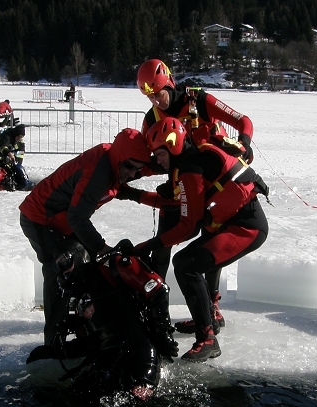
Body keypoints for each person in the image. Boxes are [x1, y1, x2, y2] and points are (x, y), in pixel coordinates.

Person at [131, 58, 257, 329]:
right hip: (179, 188)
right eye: (149, 97)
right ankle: (156, 311)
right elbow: (151, 158)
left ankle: (211, 309)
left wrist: (244, 143)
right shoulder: (150, 118)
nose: (156, 101)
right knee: (162, 246)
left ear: (170, 83)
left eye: (159, 94)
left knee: (210, 246)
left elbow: (242, 120)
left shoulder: (197, 100)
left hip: (213, 188)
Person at [129, 117, 269, 361]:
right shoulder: (190, 163)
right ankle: (205, 321)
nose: (158, 161)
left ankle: (207, 339)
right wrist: (132, 194)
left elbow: (188, 227)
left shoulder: (191, 168)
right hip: (233, 223)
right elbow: (176, 204)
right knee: (189, 262)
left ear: (172, 145)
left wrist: (148, 246)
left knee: (187, 264)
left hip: (247, 228)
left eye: (159, 154)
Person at [19, 128, 151, 347]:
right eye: (129, 167)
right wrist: (102, 247)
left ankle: (86, 323)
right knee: (63, 266)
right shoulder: (98, 172)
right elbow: (78, 218)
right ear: (119, 158)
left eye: (138, 171)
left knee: (90, 266)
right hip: (40, 218)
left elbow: (152, 167)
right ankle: (54, 338)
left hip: (64, 221)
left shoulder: (116, 164)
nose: (132, 174)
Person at [27, 239, 178, 401]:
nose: (63, 270)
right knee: (76, 400)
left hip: (140, 356)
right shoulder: (77, 298)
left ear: (79, 256)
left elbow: (157, 289)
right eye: (57, 266)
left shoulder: (113, 268)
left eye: (64, 262)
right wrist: (59, 349)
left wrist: (163, 335)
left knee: (134, 405)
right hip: (108, 361)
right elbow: (92, 341)